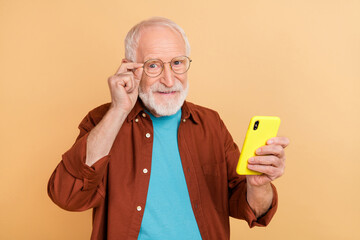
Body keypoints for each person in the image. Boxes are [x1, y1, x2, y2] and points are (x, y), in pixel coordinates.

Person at [48, 17, 289, 240]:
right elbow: (67, 196)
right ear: (130, 68)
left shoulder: (211, 123)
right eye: (153, 65)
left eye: (177, 63)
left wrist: (259, 186)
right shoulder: (102, 120)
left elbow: (251, 208)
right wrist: (119, 110)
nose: (169, 80)